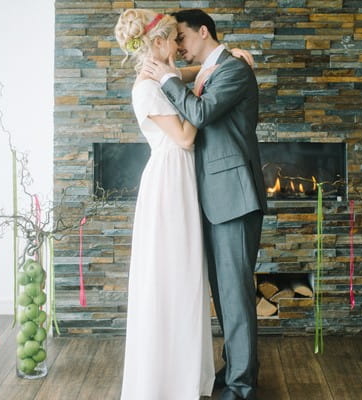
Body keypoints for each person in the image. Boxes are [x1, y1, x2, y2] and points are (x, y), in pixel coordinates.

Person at [143, 9, 268, 400]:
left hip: (234, 197)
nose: (179, 46)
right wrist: (164, 72)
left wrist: (164, 76)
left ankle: (242, 387)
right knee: (224, 293)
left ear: (203, 31)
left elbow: (199, 112)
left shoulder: (232, 70)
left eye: (181, 37)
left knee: (235, 294)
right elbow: (196, 85)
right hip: (215, 198)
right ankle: (233, 370)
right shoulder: (212, 71)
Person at [114, 9, 215, 399]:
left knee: (187, 276)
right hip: (169, 182)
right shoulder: (146, 88)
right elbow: (186, 137)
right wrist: (203, 99)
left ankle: (186, 374)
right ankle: (165, 382)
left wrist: (224, 59)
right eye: (173, 39)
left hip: (181, 179)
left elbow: (181, 78)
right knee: (172, 276)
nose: (179, 45)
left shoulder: (159, 77)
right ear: (157, 43)